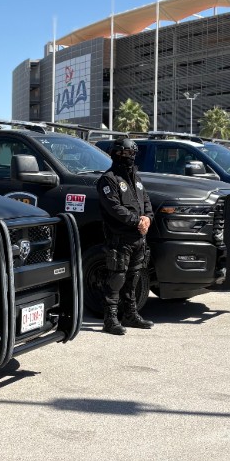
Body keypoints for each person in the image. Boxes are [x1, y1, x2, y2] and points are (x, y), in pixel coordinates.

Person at [96, 138, 154, 335]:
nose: (131, 157)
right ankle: (110, 319)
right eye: (128, 153)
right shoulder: (109, 179)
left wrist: (147, 218)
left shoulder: (135, 178)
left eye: (133, 154)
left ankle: (130, 314)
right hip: (120, 237)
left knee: (134, 277)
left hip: (138, 238)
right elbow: (114, 208)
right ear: (117, 154)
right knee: (117, 277)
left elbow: (146, 201)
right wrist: (135, 221)